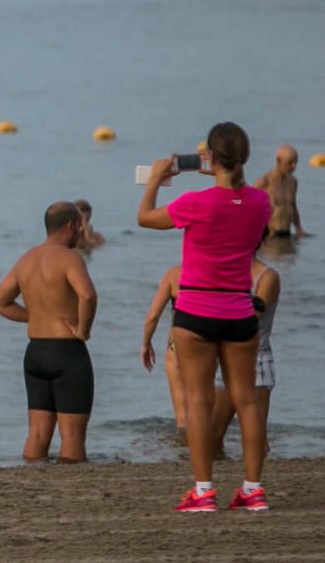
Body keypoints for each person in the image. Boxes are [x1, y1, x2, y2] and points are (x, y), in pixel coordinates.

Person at [138, 122, 272, 512]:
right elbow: (238, 207)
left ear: (209, 157)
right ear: (245, 158)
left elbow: (145, 218)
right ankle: (253, 490)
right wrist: (222, 175)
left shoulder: (195, 202)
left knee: (198, 402)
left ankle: (203, 491)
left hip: (196, 312)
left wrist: (158, 179)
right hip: (239, 311)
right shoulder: (262, 203)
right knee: (247, 402)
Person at [0, 202, 98, 463]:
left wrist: (36, 316)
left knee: (37, 433)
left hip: (36, 352)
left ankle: (32, 478)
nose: (81, 235)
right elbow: (88, 295)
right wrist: (83, 330)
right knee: (72, 436)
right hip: (67, 352)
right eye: (79, 229)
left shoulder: (26, 259)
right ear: (70, 226)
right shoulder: (70, 257)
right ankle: (71, 485)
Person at [212, 238, 280, 458]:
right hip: (226, 359)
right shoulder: (224, 274)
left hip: (256, 360)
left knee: (257, 439)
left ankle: (256, 484)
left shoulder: (267, 276)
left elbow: (251, 316)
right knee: (213, 436)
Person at [141, 265, 186, 440]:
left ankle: (186, 451)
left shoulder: (174, 274)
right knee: (203, 404)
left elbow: (153, 316)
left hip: (177, 346)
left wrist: (146, 343)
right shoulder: (217, 273)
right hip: (209, 345)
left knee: (182, 418)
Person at [254, 144, 307, 239]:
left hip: (287, 235)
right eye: (290, 162)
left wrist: (298, 227)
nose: (294, 166)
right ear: (278, 160)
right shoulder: (265, 181)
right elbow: (247, 205)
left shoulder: (293, 182)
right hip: (270, 238)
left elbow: (293, 206)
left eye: (296, 162)